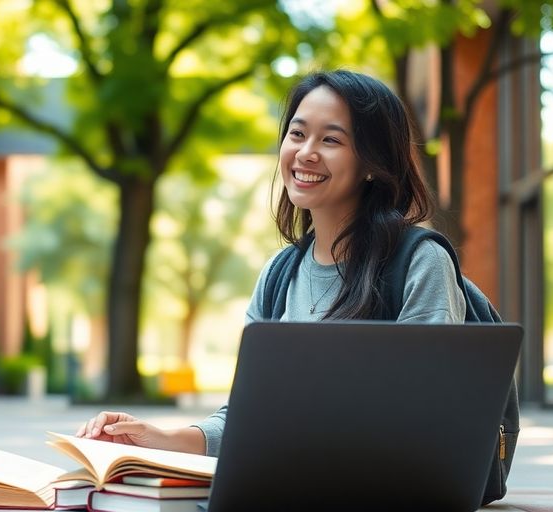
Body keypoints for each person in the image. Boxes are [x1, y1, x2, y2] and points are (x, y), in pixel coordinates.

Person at [75, 69, 466, 457]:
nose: (306, 152)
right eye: (297, 134)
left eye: (331, 139)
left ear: (372, 163)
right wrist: (157, 438)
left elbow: (427, 415)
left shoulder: (419, 262)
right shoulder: (280, 275)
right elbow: (245, 417)